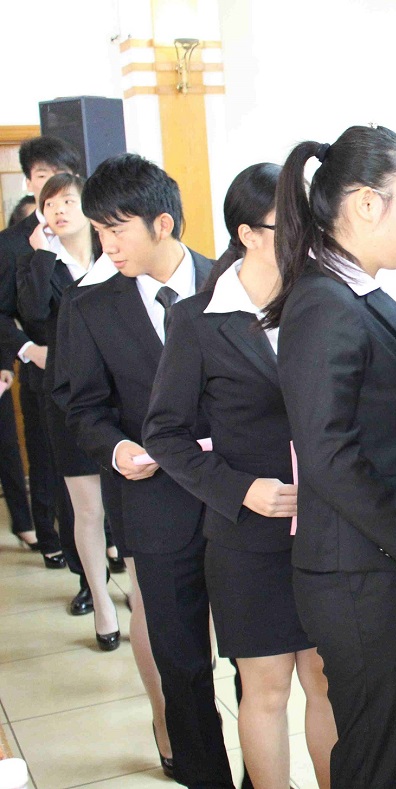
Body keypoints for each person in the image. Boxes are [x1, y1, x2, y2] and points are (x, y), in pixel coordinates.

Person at [263, 126, 396, 788]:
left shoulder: (351, 292)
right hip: (359, 574)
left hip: (376, 564)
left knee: (385, 750)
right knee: (376, 759)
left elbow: (385, 432)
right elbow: (329, 455)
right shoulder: (324, 304)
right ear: (367, 203)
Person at [144, 163, 335, 789]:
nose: (307, 236)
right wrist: (240, 489)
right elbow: (165, 434)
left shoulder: (325, 302)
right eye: (291, 224)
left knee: (326, 682)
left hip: (328, 527)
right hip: (248, 537)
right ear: (248, 234)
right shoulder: (198, 319)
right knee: (267, 689)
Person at [62, 153, 232, 787]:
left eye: (116, 230)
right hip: (155, 502)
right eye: (98, 231)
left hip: (240, 498)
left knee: (259, 658)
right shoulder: (90, 306)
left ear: (163, 223)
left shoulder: (233, 282)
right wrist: (115, 450)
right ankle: (202, 772)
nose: (106, 246)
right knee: (181, 659)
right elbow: (81, 405)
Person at [15, 172, 120, 649]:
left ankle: (140, 592)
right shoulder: (39, 261)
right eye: (50, 203)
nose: (59, 210)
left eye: (68, 201)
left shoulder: (112, 251)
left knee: (126, 502)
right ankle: (100, 600)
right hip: (68, 396)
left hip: (120, 391)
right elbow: (34, 312)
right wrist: (40, 256)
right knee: (87, 508)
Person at [0, 136, 81, 587]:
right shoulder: (12, 243)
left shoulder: (93, 229)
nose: (51, 186)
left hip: (92, 371)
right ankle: (51, 538)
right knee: (48, 459)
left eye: (59, 176)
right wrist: (26, 350)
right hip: (40, 366)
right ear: (30, 182)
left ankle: (106, 541)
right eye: (42, 176)